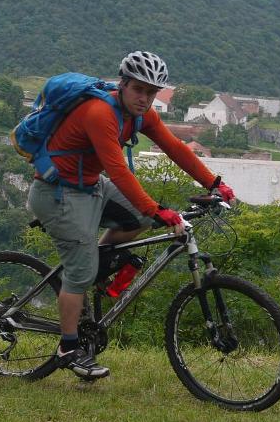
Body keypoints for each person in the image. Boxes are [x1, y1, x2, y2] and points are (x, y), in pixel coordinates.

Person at [26, 50, 237, 379]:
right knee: (80, 272)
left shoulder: (142, 115)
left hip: (91, 186)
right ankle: (68, 348)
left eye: (151, 93)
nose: (144, 98)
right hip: (58, 194)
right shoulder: (100, 113)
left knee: (138, 220)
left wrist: (214, 183)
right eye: (138, 89)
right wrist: (158, 209)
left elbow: (175, 148)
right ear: (122, 84)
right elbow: (119, 171)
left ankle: (93, 266)